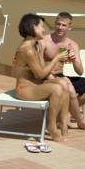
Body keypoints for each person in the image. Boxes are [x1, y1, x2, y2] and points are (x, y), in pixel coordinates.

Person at [13, 13, 70, 142]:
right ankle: (52, 126)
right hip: (24, 89)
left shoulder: (35, 45)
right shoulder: (27, 50)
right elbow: (40, 74)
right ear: (32, 27)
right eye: (41, 26)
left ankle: (63, 124)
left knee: (63, 83)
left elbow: (41, 68)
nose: (44, 30)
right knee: (56, 89)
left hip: (35, 84)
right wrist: (57, 58)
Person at [41, 12, 85, 130]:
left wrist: (73, 59)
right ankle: (81, 122)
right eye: (58, 24)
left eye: (64, 25)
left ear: (69, 27)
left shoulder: (72, 44)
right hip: (45, 77)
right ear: (55, 24)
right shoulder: (44, 40)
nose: (60, 27)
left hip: (60, 76)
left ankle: (67, 112)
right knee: (69, 87)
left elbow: (80, 71)